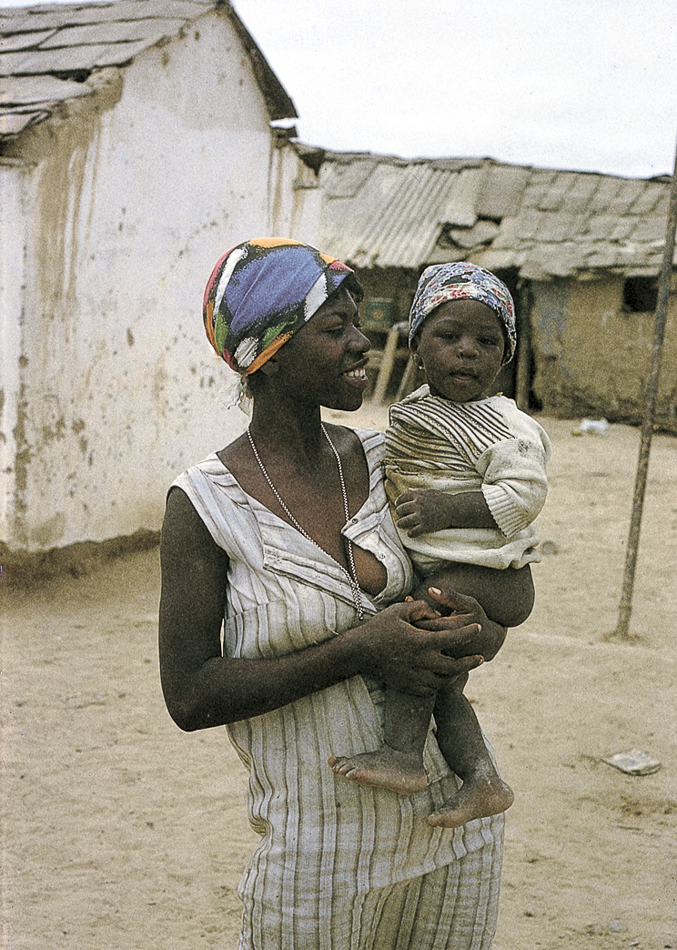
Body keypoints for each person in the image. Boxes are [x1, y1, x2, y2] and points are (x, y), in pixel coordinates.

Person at [159, 239, 510, 950]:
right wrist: (358, 650)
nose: (362, 342)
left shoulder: (390, 460)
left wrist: (477, 630)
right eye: (335, 328)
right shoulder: (203, 504)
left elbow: (493, 593)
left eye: (359, 322)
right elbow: (191, 696)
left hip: (455, 835)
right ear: (269, 351)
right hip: (316, 857)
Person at [329, 262, 551, 829]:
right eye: (448, 336)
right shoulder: (419, 413)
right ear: (417, 347)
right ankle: (482, 778)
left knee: (415, 628)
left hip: (489, 575)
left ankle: (403, 756)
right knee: (442, 678)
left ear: (505, 355)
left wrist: (447, 509)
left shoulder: (505, 424)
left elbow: (524, 495)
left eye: (486, 340)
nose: (467, 351)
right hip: (456, 566)